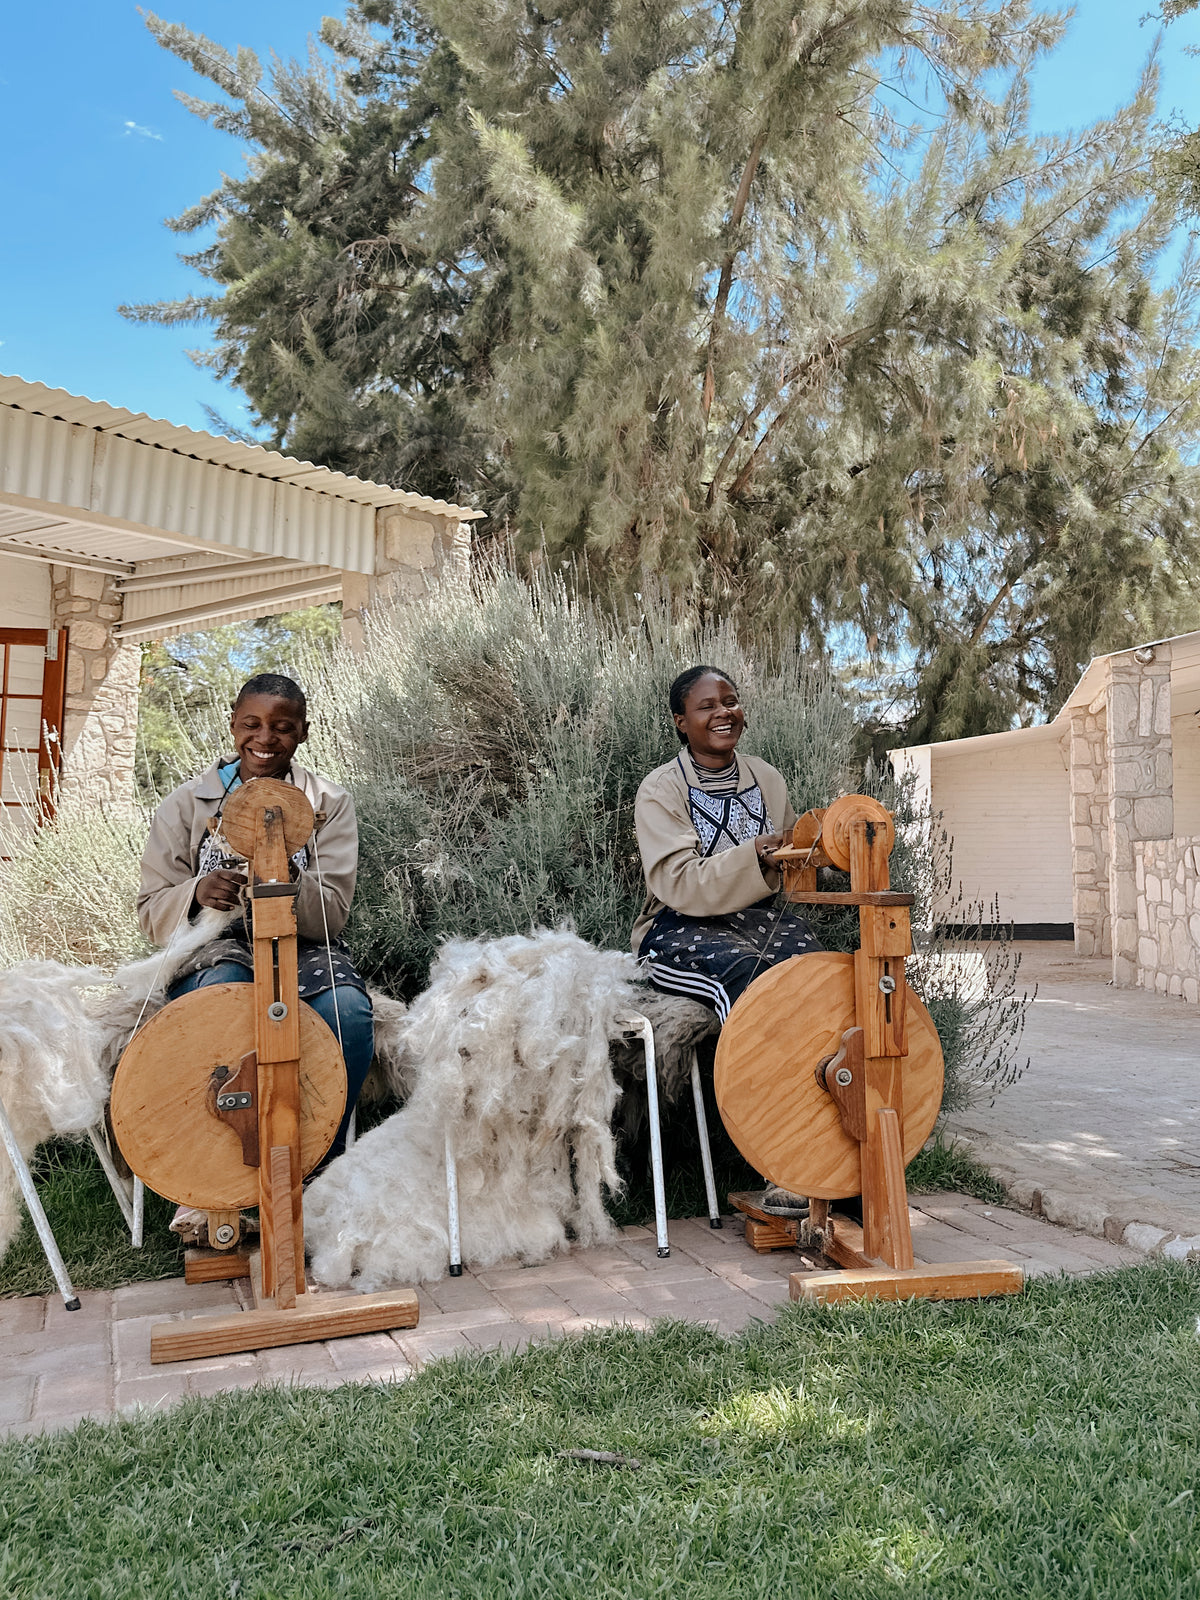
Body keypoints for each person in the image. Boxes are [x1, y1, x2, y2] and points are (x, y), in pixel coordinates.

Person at [138, 672, 372, 1173]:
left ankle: (313, 1169)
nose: (265, 739)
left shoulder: (329, 805)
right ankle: (221, 1174)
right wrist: (196, 894)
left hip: (302, 942)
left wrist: (285, 874)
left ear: (303, 732)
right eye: (252, 724)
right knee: (226, 994)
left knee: (347, 1011)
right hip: (213, 945)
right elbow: (150, 911)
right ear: (232, 725)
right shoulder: (186, 804)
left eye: (282, 727)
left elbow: (332, 915)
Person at [632, 665, 823, 1023]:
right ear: (681, 722)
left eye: (730, 702)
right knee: (748, 979)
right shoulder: (662, 788)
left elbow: (794, 858)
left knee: (815, 976)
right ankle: (752, 1080)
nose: (723, 712)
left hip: (762, 921)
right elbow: (679, 881)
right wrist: (755, 854)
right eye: (706, 706)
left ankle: (817, 1077)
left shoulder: (766, 777)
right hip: (678, 926)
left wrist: (817, 846)